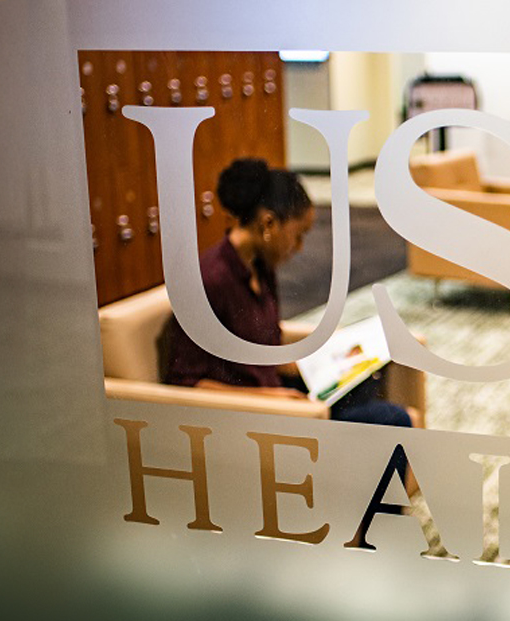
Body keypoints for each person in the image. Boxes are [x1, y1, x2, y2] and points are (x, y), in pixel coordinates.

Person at [164, 157, 413, 430]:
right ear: (269, 224)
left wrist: (332, 363)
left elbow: (264, 353)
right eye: (299, 235)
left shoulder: (260, 265)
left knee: (367, 386)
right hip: (247, 418)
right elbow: (186, 384)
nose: (300, 247)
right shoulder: (209, 281)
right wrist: (274, 397)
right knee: (393, 421)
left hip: (278, 399)